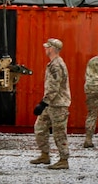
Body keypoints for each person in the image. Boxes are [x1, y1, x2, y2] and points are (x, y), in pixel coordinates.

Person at [30, 38, 71, 170]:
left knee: (59, 133)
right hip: (51, 104)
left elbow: (54, 87)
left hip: (58, 104)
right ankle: (44, 155)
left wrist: (42, 103)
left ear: (52, 49)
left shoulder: (56, 65)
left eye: (47, 47)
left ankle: (63, 160)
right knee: (40, 127)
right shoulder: (53, 63)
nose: (45, 49)